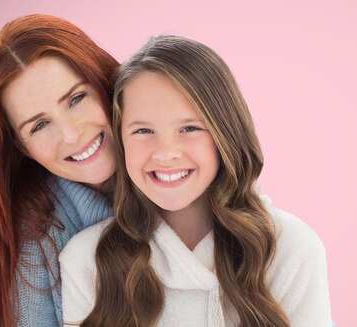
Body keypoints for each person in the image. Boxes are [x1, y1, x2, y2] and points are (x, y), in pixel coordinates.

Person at [60, 35, 332, 326]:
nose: (165, 154)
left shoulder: (289, 247)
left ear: (224, 134)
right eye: (142, 131)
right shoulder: (87, 261)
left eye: (189, 128)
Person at [0, 14, 119, 327]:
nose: (72, 135)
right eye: (40, 125)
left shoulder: (179, 167)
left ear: (104, 81)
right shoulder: (36, 248)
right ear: (22, 147)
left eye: (76, 98)